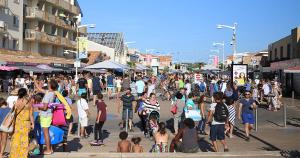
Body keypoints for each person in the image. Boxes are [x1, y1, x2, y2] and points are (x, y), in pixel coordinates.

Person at [10, 88, 34, 158]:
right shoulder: (29, 102)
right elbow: (31, 114)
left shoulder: (16, 102)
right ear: (25, 94)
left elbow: (13, 113)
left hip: (17, 123)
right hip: (26, 124)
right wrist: (33, 123)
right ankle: (23, 156)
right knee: (24, 140)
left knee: (16, 140)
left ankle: (14, 155)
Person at [39, 79, 58, 155]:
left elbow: (45, 107)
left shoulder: (48, 94)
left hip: (45, 115)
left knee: (46, 133)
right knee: (47, 133)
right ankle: (50, 149)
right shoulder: (53, 93)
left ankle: (48, 150)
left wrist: (39, 107)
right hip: (49, 114)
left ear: (50, 85)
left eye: (48, 83)